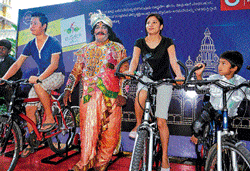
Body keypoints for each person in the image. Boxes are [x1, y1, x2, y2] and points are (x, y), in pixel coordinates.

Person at [63, 10, 128, 171]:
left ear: (109, 31)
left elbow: (126, 73)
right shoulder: (85, 49)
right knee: (88, 130)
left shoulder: (118, 48)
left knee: (110, 131)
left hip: (113, 96)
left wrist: (123, 94)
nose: (100, 29)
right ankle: (85, 162)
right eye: (97, 27)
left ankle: (102, 162)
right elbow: (76, 71)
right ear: (93, 31)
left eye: (104, 27)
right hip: (89, 97)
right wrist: (68, 89)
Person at [1, 12, 65, 157]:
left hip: (56, 75)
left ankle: (49, 117)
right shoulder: (30, 44)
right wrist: (3, 78)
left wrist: (39, 78)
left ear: (44, 26)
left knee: (38, 85)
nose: (31, 26)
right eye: (30, 23)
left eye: (35, 23)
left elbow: (54, 65)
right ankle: (32, 142)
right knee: (29, 108)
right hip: (41, 79)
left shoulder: (54, 42)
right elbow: (17, 64)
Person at [128, 13, 184, 171]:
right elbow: (134, 60)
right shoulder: (140, 42)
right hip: (146, 78)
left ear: (161, 26)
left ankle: (165, 157)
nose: (150, 25)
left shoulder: (168, 42)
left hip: (164, 81)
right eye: (147, 23)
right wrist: (131, 71)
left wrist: (178, 75)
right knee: (141, 93)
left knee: (161, 122)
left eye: (154, 22)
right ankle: (138, 125)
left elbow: (173, 61)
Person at [190, 51, 249, 145]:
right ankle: (197, 137)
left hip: (227, 116)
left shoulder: (242, 83)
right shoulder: (214, 78)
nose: (219, 66)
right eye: (219, 63)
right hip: (211, 110)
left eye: (223, 63)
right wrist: (198, 75)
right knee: (197, 125)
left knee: (228, 136)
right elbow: (201, 87)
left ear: (234, 68)